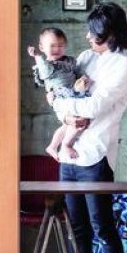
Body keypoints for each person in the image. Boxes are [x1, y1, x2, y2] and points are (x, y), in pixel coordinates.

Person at [47, 2, 127, 253]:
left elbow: (95, 106)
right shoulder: (85, 58)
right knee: (77, 228)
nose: (86, 37)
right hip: (69, 156)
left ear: (109, 33)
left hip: (96, 156)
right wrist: (68, 112)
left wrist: (67, 106)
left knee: (103, 227)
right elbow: (56, 95)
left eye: (93, 32)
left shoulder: (122, 66)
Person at [28, 28, 92, 161]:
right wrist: (37, 56)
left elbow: (77, 72)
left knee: (68, 125)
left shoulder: (70, 61)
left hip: (73, 93)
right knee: (78, 121)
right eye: (52, 46)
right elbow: (45, 72)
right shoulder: (45, 65)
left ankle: (52, 146)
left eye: (60, 45)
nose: (57, 49)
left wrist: (83, 78)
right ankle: (66, 145)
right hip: (61, 96)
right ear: (42, 47)